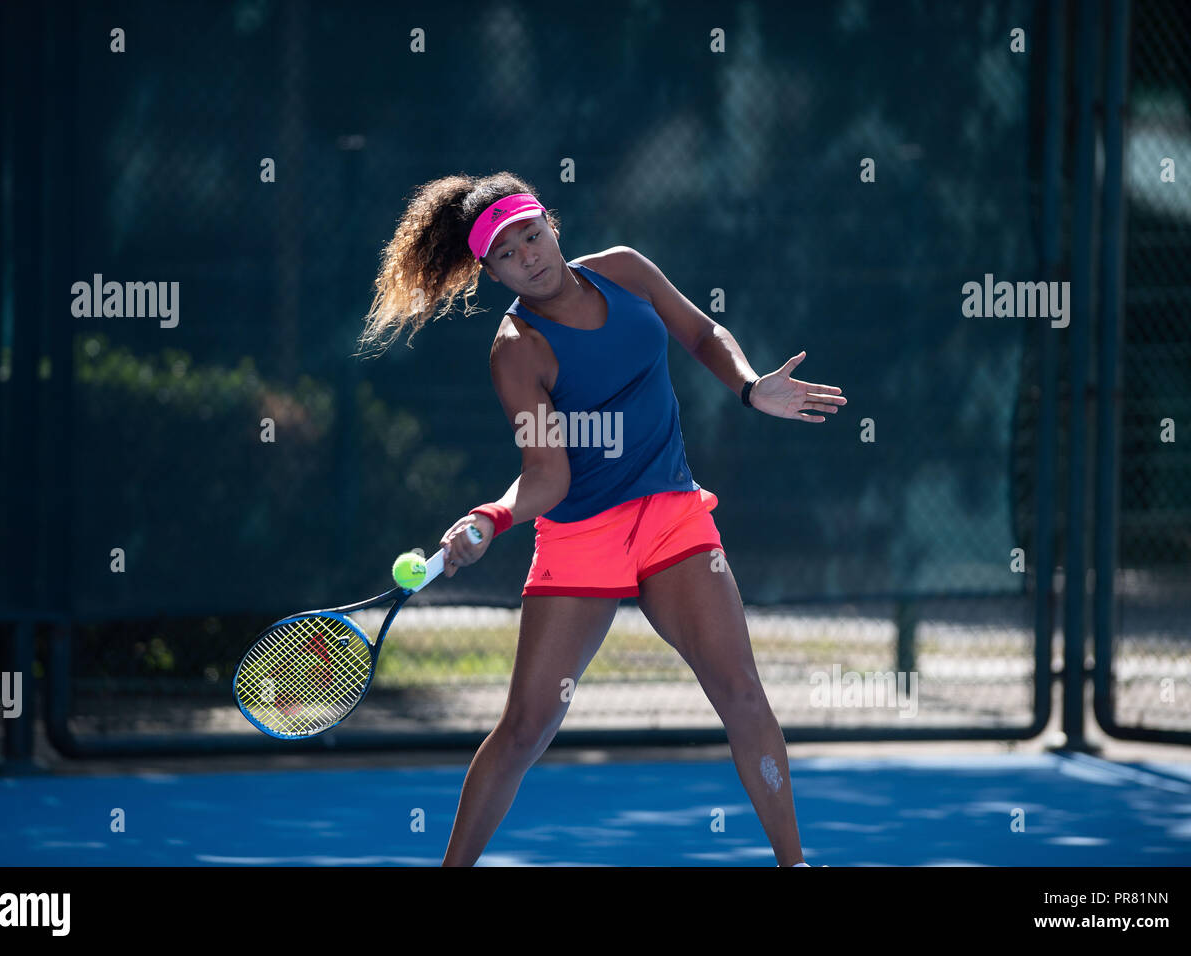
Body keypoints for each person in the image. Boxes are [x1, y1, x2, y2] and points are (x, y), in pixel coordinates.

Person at [359, 171, 846, 866]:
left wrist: (748, 385)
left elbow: (701, 331)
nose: (528, 253)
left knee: (741, 692)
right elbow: (547, 474)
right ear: (492, 273)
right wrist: (491, 518)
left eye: (532, 234)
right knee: (527, 726)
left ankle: (795, 865)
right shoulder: (516, 351)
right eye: (507, 252)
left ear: (550, 225)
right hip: (583, 536)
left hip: (672, 515)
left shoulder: (624, 269)